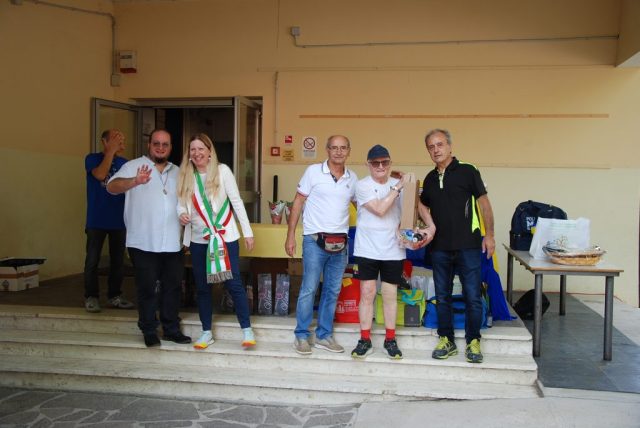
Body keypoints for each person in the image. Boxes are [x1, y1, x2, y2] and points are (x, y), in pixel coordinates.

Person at [107, 129, 191, 348]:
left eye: (165, 144)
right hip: (142, 241)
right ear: (149, 145)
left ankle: (171, 329)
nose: (160, 148)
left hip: (172, 241)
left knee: (172, 287)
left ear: (170, 147)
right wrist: (135, 181)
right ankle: (149, 329)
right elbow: (111, 186)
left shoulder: (178, 172)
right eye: (156, 143)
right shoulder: (133, 166)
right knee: (146, 288)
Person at [418, 129, 495, 363]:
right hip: (439, 248)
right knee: (443, 297)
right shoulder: (429, 179)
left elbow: (484, 204)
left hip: (468, 246)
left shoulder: (468, 171)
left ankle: (473, 341)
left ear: (450, 146)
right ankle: (447, 340)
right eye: (431, 147)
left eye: (440, 144)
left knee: (472, 296)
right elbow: (422, 207)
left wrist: (489, 235)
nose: (436, 150)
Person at [176, 133, 256, 350]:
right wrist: (181, 213)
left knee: (233, 283)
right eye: (193, 149)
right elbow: (180, 203)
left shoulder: (223, 171)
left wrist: (247, 232)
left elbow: (237, 202)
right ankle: (206, 332)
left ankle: (247, 329)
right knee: (202, 286)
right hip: (199, 239)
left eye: (201, 149)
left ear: (209, 151)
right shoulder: (186, 175)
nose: (197, 153)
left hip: (225, 236)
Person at [350, 144, 428, 360]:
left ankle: (390, 339)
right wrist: (399, 187)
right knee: (367, 293)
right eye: (375, 163)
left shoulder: (399, 184)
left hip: (393, 249)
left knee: (390, 294)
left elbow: (415, 208)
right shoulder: (362, 185)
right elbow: (380, 209)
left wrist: (428, 227)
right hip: (367, 248)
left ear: (390, 163)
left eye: (385, 162)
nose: (380, 166)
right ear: (368, 165)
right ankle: (364, 339)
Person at [285, 135, 358, 355]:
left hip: (340, 243)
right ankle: (301, 335)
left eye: (343, 148)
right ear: (327, 150)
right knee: (309, 288)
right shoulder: (313, 172)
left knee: (332, 290)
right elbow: (298, 202)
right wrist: (290, 235)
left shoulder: (352, 178)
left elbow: (362, 207)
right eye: (334, 148)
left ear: (348, 150)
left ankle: (324, 335)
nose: (338, 152)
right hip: (314, 240)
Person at [83, 129, 134, 313]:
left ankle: (115, 296)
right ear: (104, 142)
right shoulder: (92, 159)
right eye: (116, 139)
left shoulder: (125, 163)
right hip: (96, 220)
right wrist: (110, 152)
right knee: (92, 260)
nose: (121, 142)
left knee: (118, 262)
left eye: (122, 139)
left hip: (119, 220)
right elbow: (100, 175)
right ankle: (91, 296)